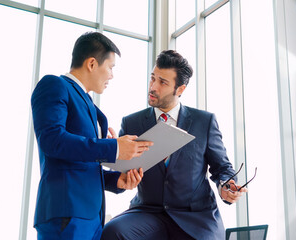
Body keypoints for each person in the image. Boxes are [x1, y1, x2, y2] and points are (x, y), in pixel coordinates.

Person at [101, 50, 248, 240]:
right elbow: (120, 175)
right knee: (113, 232)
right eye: (152, 78)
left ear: (180, 89)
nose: (153, 86)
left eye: (163, 82)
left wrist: (226, 186)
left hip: (195, 216)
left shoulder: (204, 122)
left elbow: (222, 168)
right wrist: (114, 153)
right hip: (147, 212)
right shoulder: (131, 123)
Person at [31, 31, 153, 240]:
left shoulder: (90, 105)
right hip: (66, 213)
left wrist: (117, 180)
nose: (112, 75)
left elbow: (83, 165)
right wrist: (114, 149)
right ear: (92, 64)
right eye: (110, 67)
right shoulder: (54, 85)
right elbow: (52, 141)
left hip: (91, 218)